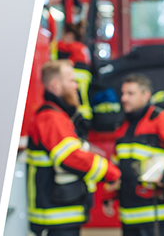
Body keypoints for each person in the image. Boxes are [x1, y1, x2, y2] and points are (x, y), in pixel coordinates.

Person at [26, 60, 121, 236]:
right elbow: (70, 157)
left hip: (60, 212)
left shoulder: (58, 116)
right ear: (55, 85)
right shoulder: (51, 118)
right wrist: (110, 171)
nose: (76, 86)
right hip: (56, 216)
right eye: (71, 80)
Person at [112, 73, 164, 236]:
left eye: (130, 93)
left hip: (153, 212)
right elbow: (117, 162)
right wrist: (109, 194)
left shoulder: (161, 119)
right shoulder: (123, 125)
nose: (124, 98)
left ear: (146, 95)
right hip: (128, 213)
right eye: (123, 93)